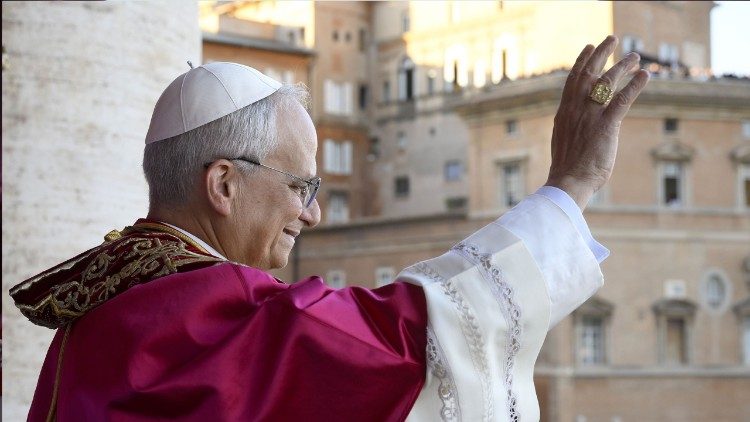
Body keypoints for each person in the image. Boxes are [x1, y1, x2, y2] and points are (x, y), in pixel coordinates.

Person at [10, 36, 648, 421]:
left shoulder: (103, 309)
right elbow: (408, 341)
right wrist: (570, 187)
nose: (312, 214)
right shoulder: (203, 309)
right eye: (300, 186)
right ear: (224, 184)